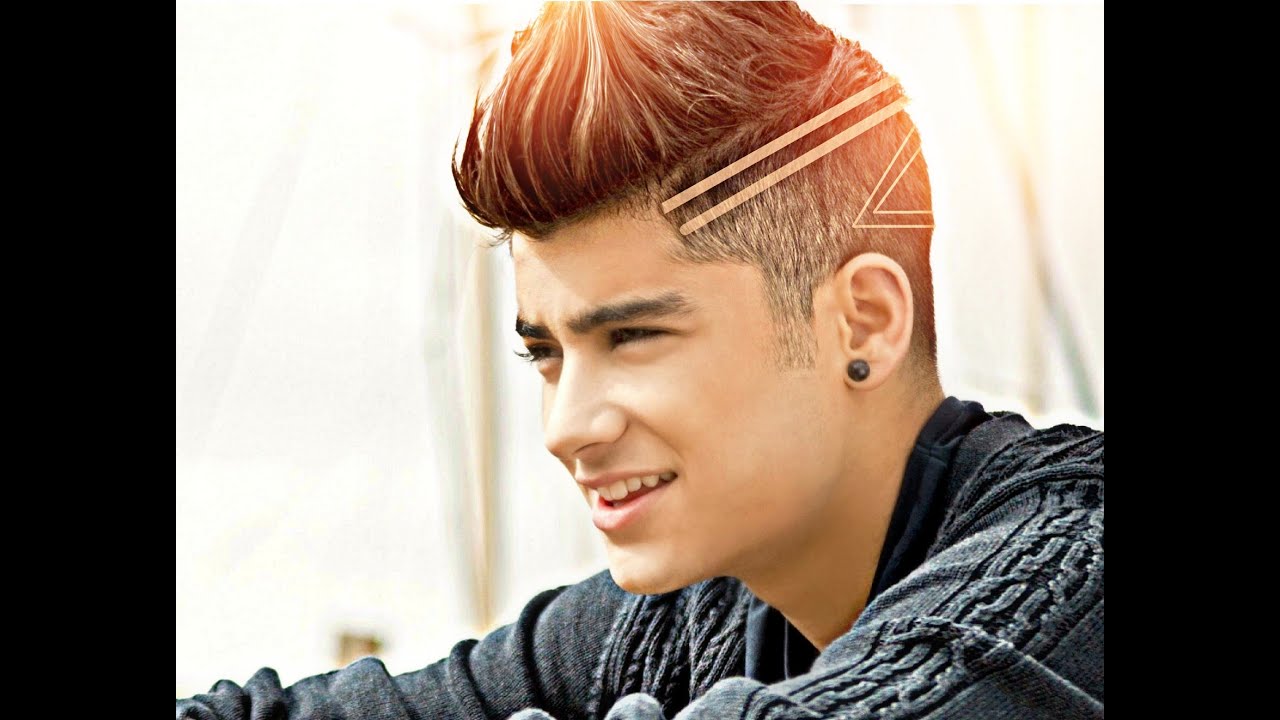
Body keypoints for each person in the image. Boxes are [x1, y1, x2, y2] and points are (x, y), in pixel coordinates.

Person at [177, 2, 1103, 718]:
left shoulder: (1072, 577)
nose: (566, 428)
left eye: (633, 337)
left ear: (862, 324)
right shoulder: (680, 617)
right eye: (546, 353)